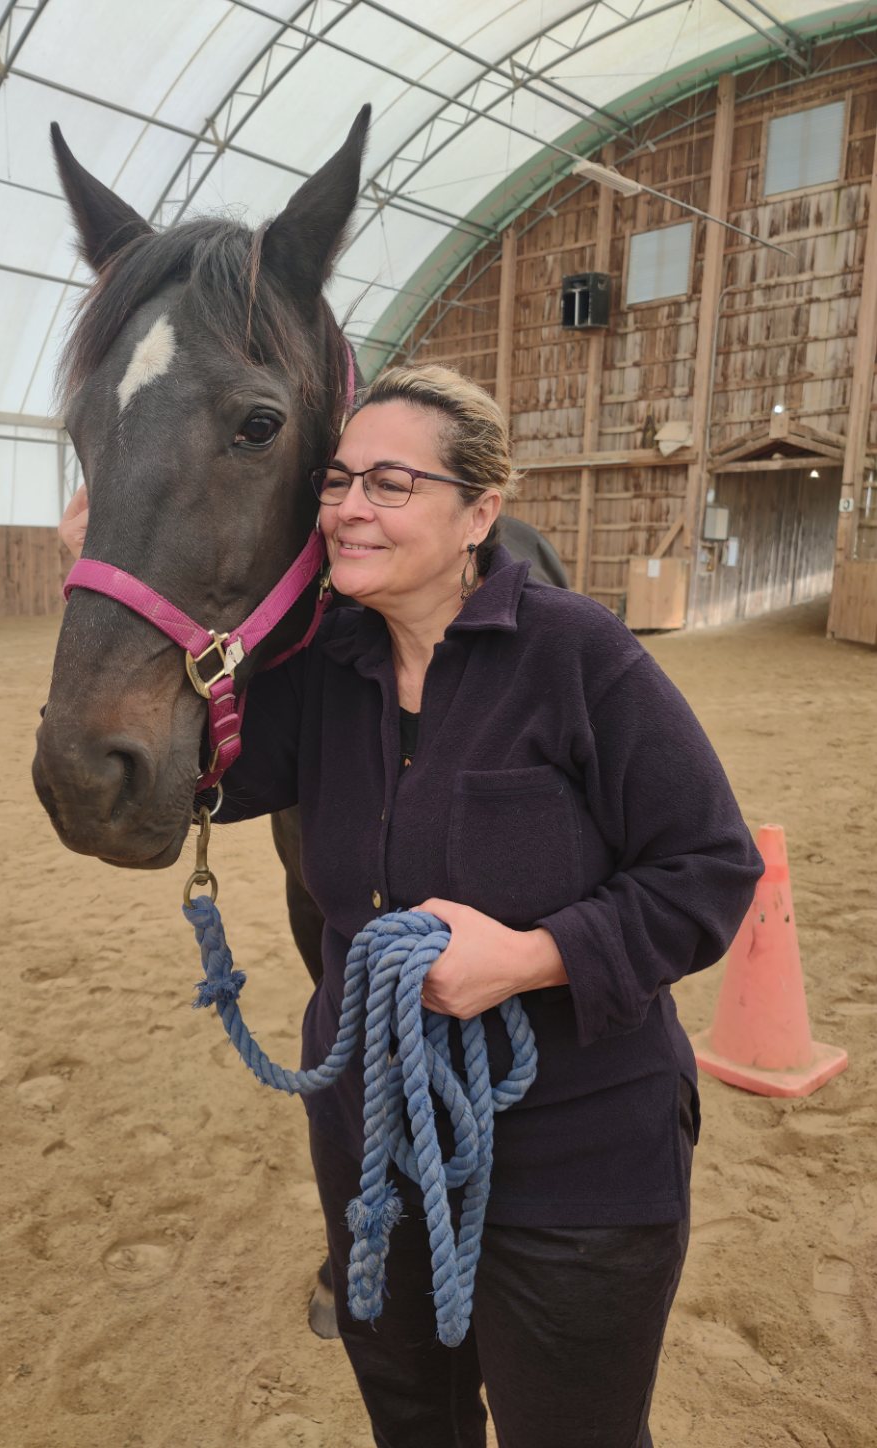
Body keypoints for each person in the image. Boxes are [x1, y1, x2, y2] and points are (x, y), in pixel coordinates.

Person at [61, 364, 763, 1448]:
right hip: (372, 1150)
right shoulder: (327, 671)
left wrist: (531, 956)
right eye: (339, 479)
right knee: (411, 1423)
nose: (349, 505)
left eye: (391, 483)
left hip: (576, 1168)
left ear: (480, 510)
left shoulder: (579, 655)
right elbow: (182, 780)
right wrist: (112, 565)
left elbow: (710, 867)